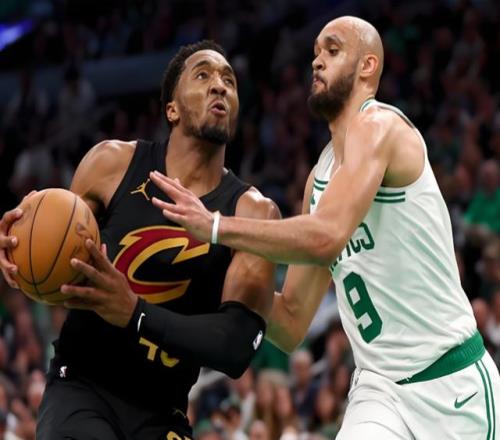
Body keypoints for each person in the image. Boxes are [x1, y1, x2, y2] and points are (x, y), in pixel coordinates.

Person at [149, 17, 500, 439]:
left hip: (451, 382)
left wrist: (216, 227)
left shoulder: (380, 126)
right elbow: (291, 321)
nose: (316, 61)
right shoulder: (319, 178)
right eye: (315, 52)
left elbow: (326, 237)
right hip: (379, 390)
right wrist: (214, 279)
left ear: (367, 66)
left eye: (332, 51)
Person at [0, 40, 278, 439]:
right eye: (203, 75)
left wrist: (134, 312)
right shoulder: (111, 164)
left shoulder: (253, 213)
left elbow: (234, 348)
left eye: (229, 81)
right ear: (172, 109)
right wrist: (17, 250)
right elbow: (55, 263)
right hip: (83, 387)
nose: (219, 86)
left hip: (163, 411)